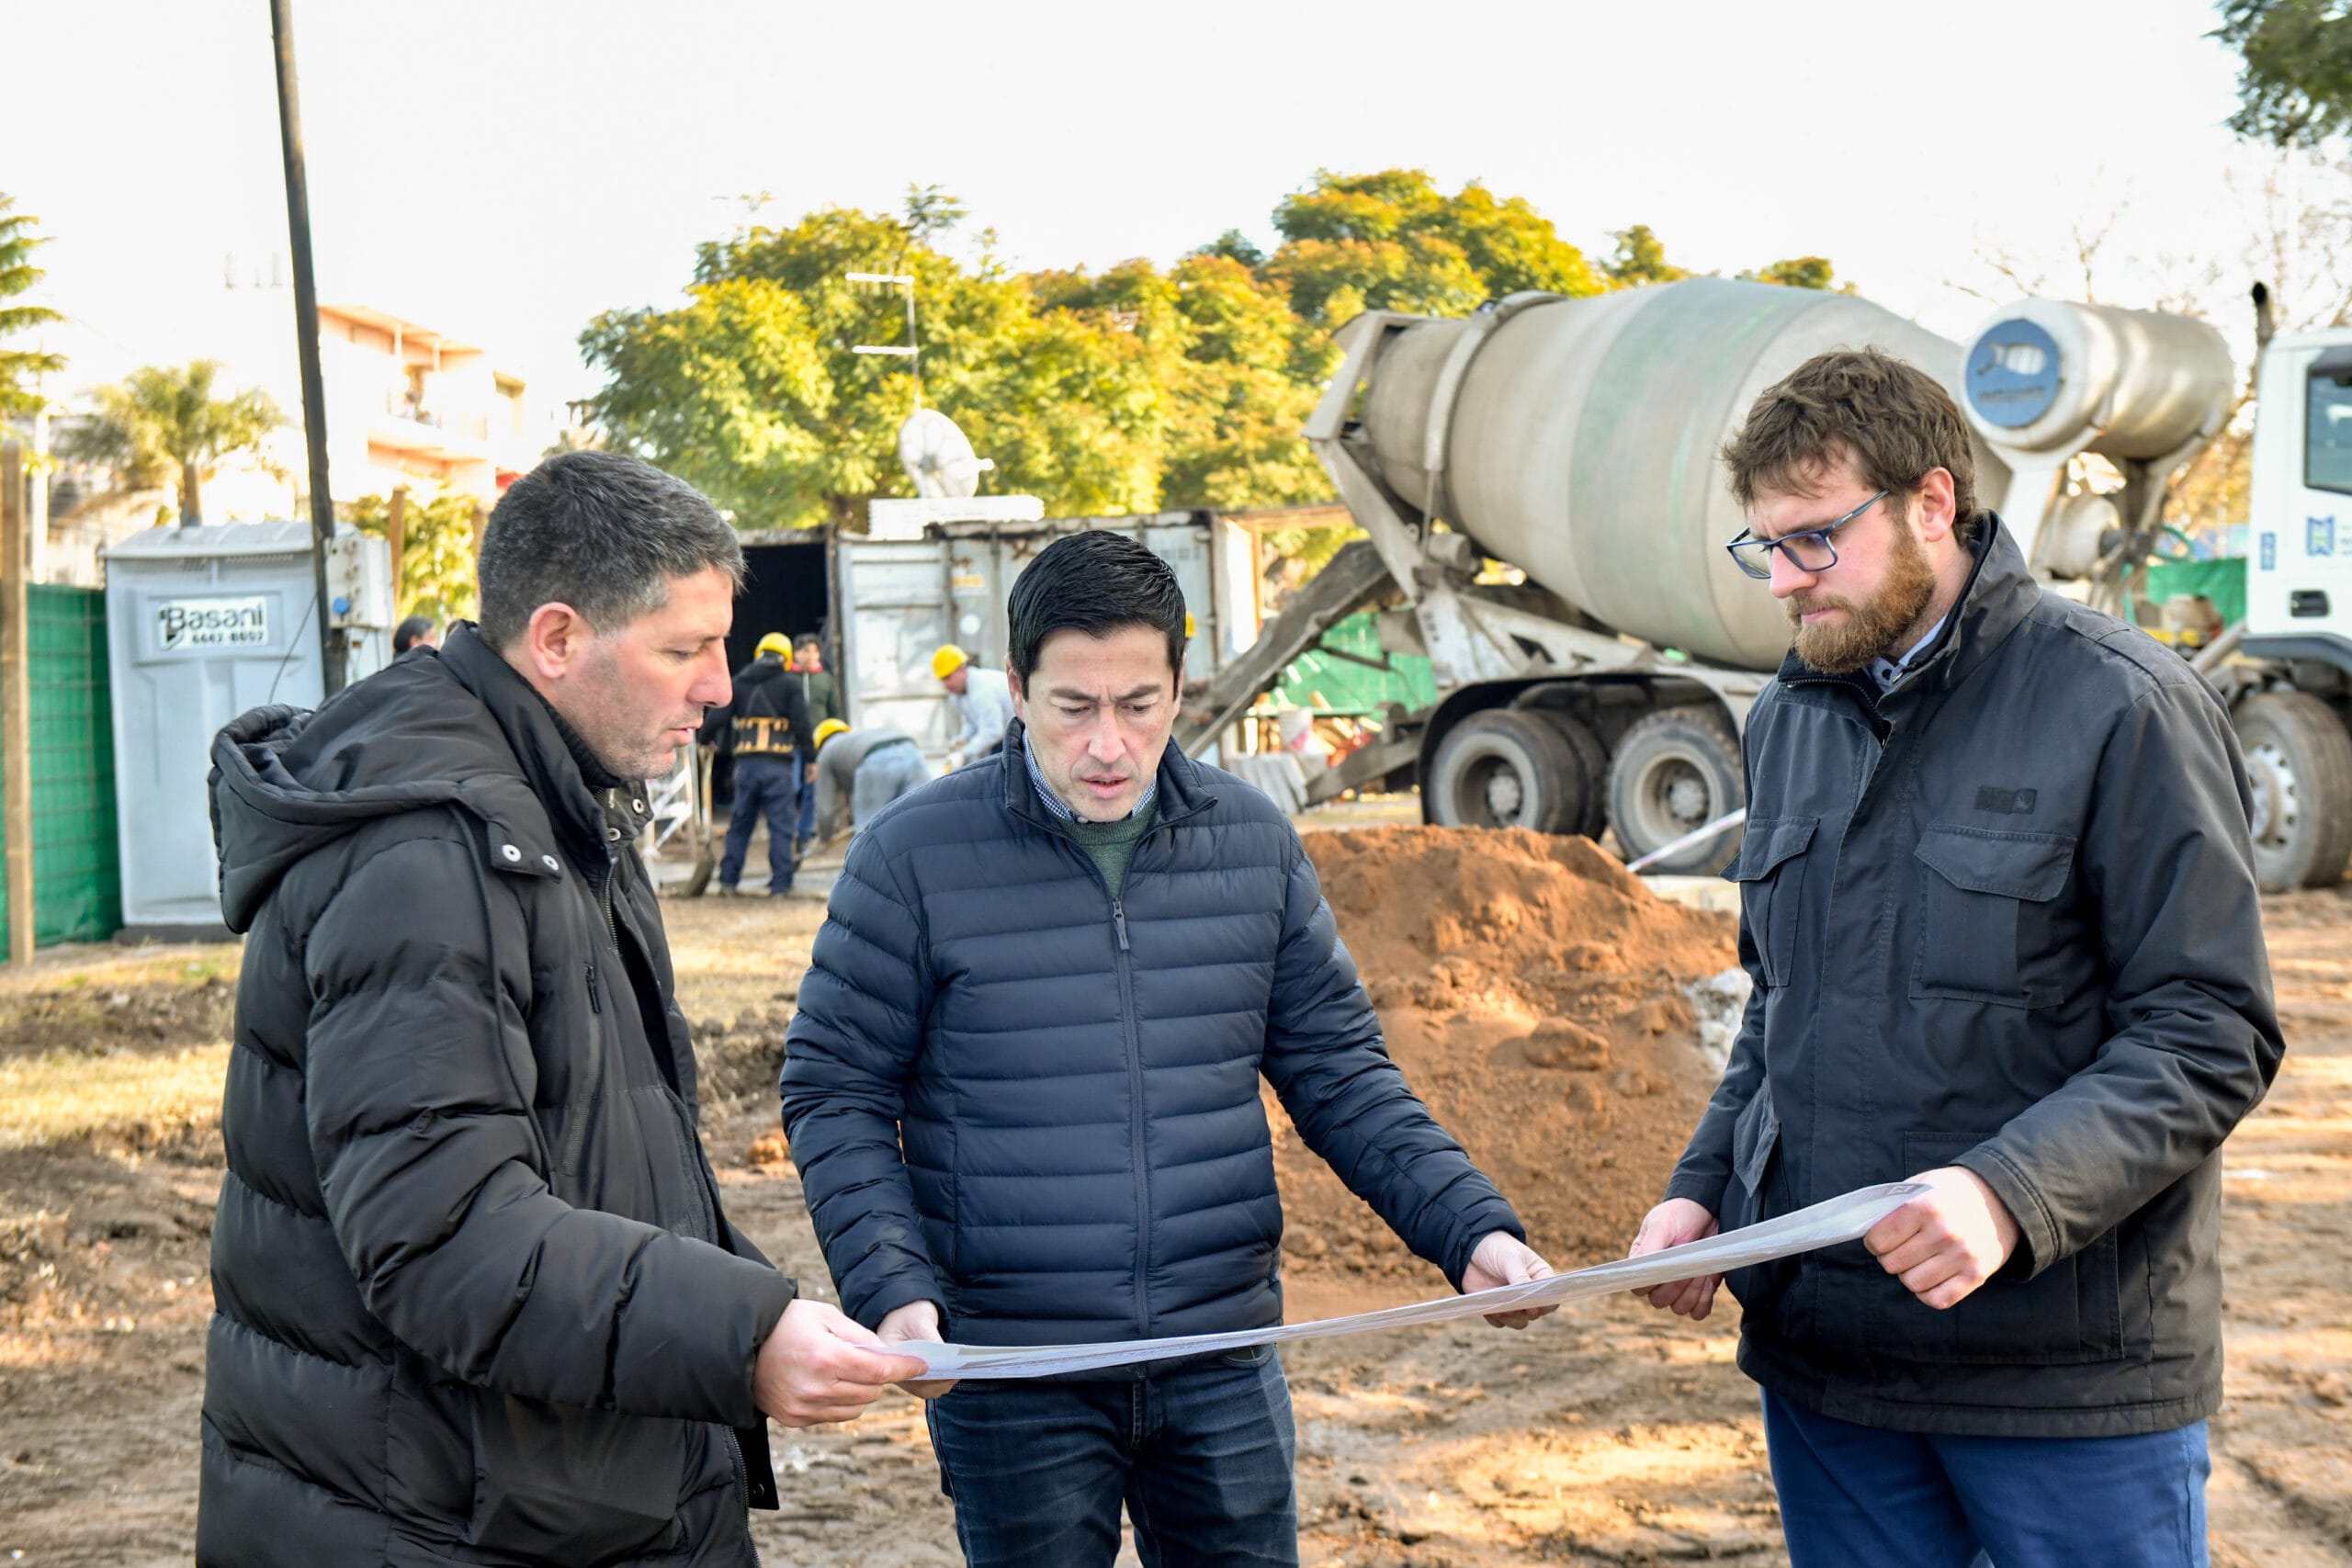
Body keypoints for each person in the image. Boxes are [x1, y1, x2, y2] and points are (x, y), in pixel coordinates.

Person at [198, 450, 925, 1568]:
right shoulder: (427, 854)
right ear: (555, 639)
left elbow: (608, 1158)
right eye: (684, 650)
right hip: (448, 1521)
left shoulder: (559, 805)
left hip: (567, 1491)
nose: (720, 688)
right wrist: (742, 1334)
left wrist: (759, 1311)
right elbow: (445, 1238)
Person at [782, 530, 1555, 1567]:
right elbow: (833, 1090)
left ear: (1180, 688)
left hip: (1220, 1356)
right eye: (1074, 706)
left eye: (1138, 704)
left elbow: (1340, 1074)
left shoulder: (1252, 844)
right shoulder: (913, 858)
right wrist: (896, 1293)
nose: (1108, 744)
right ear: (1017, 689)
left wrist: (1469, 1230)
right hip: (1014, 1374)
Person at [1625, 349, 2282, 1568]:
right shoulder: (1791, 717)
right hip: (1832, 1375)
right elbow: (1782, 1004)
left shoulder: (2123, 705)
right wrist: (1704, 1188)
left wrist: (2005, 1193)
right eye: (1765, 544)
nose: (1785, 579)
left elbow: (2208, 1029)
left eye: (1814, 538)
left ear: (1933, 501)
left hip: (2064, 1385)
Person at [705, 630, 814, 897]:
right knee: (781, 826)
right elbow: (802, 724)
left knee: (740, 824)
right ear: (786, 658)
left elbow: (716, 718)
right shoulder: (790, 684)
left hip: (746, 767)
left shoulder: (739, 682)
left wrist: (706, 740)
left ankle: (728, 882)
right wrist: (811, 759)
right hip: (778, 767)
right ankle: (781, 886)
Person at [807, 716, 927, 845]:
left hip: (875, 759)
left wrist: (825, 837)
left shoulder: (825, 753)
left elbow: (825, 807)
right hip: (910, 749)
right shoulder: (858, 737)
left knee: (868, 836)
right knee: (921, 818)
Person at [791, 632, 842, 859]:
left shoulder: (825, 680)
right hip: (792, 744)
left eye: (814, 651)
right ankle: (789, 829)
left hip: (818, 745)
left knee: (812, 791)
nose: (810, 656)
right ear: (796, 654)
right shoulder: (788, 679)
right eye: (805, 651)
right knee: (792, 787)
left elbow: (835, 712)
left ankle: (804, 834)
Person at [932, 642, 1012, 768]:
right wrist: (963, 739)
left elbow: (993, 731)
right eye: (942, 679)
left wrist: (964, 752)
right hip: (1002, 737)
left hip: (1016, 734)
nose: (945, 684)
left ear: (962, 669)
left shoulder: (981, 690)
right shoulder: (957, 694)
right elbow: (970, 722)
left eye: (947, 677)